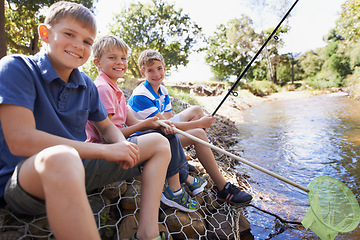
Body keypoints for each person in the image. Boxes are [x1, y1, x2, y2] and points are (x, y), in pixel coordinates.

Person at [0, 2, 169, 240]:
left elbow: (107, 126)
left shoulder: (86, 85)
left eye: (88, 41)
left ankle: (147, 234)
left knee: (159, 143)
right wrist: (105, 152)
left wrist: (122, 146)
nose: (79, 45)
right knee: (61, 157)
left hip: (77, 168)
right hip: (25, 182)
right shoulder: (17, 67)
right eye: (69, 34)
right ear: (45, 33)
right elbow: (21, 141)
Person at [85, 35, 207, 213]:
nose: (120, 62)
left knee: (163, 132)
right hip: (107, 149)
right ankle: (175, 190)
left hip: (119, 142)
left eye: (123, 58)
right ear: (97, 62)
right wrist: (146, 126)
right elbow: (109, 135)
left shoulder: (115, 88)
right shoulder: (103, 88)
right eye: (112, 58)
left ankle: (184, 178)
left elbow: (134, 122)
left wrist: (154, 124)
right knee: (165, 137)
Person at [128, 49, 253, 205]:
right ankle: (223, 188)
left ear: (164, 68)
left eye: (159, 68)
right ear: (143, 73)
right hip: (149, 141)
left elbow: (169, 121)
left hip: (163, 134)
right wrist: (200, 125)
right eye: (150, 70)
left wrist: (198, 123)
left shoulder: (163, 90)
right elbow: (166, 125)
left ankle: (181, 157)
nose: (156, 74)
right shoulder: (141, 94)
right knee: (199, 134)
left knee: (197, 111)